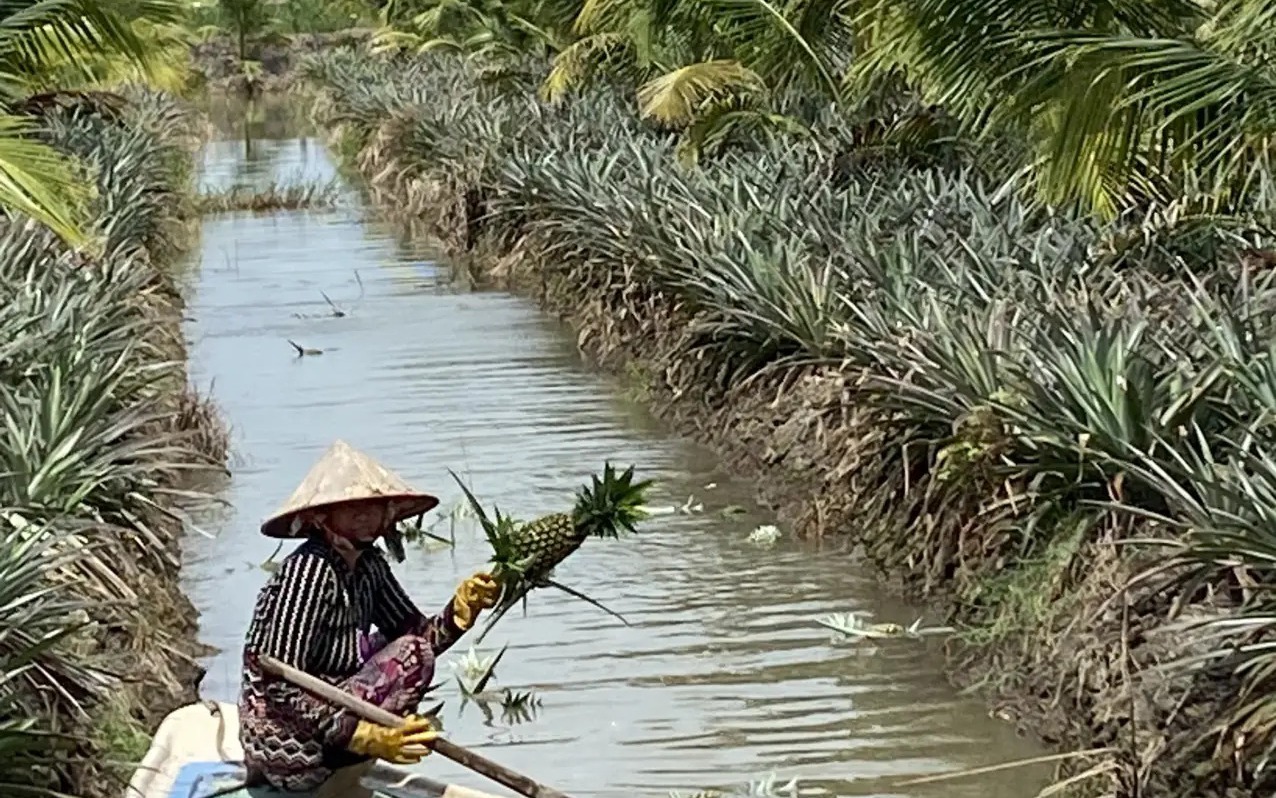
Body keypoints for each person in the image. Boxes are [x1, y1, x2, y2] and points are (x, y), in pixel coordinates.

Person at [238, 440, 501, 792]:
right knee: (395, 658)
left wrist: (460, 611)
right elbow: (280, 680)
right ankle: (344, 752)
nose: (363, 516)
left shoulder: (370, 566)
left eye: (371, 507)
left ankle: (349, 753)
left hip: (333, 725)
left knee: (412, 651)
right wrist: (363, 736)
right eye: (349, 509)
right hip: (286, 740)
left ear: (387, 512)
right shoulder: (309, 570)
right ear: (322, 518)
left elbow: (419, 639)